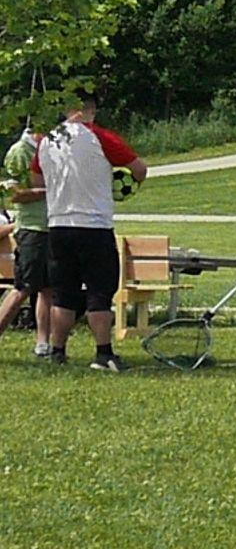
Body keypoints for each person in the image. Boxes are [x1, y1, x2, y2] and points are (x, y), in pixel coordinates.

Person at [38, 89, 147, 370]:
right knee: (99, 292)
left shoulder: (46, 140)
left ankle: (57, 351)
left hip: (58, 225)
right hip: (94, 225)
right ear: (91, 109)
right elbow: (139, 169)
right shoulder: (100, 136)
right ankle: (103, 353)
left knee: (63, 293)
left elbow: (36, 178)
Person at [0, 123, 53, 356]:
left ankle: (43, 343)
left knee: (47, 289)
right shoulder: (20, 152)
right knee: (23, 287)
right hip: (32, 228)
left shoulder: (48, 148)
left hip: (51, 226)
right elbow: (15, 195)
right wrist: (50, 190)